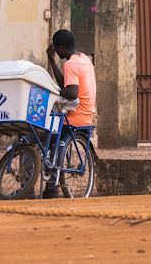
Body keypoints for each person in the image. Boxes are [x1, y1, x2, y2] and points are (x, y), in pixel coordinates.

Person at [35, 29, 96, 198]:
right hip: (86, 116)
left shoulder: (70, 64)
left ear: (60, 47)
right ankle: (51, 186)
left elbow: (72, 93)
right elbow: (67, 83)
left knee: (33, 134)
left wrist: (51, 92)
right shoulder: (84, 60)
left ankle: (31, 182)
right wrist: (52, 61)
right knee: (48, 136)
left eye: (56, 48)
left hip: (72, 118)